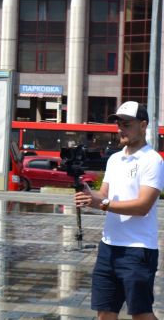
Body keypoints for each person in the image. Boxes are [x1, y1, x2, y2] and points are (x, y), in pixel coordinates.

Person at [74, 101, 164, 320]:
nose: (120, 128)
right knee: (104, 312)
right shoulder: (115, 159)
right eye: (118, 123)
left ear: (143, 125)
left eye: (126, 123)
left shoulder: (152, 161)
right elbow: (103, 195)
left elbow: (143, 206)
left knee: (140, 313)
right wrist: (87, 193)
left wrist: (102, 204)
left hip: (138, 249)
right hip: (108, 247)